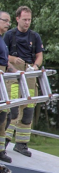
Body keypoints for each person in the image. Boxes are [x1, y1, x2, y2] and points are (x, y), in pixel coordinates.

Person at [3, 6, 44, 158]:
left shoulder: (34, 36)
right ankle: (5, 140)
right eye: (24, 19)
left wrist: (35, 66)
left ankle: (22, 143)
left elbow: (39, 55)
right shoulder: (9, 35)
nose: (27, 22)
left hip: (30, 73)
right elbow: (3, 55)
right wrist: (13, 59)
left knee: (29, 108)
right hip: (14, 74)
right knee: (13, 108)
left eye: (29, 20)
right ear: (17, 19)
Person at [0, 10, 22, 164]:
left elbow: (4, 61)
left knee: (5, 116)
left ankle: (1, 150)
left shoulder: (2, 40)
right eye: (5, 21)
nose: (8, 24)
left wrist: (15, 71)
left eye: (9, 21)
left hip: (3, 77)